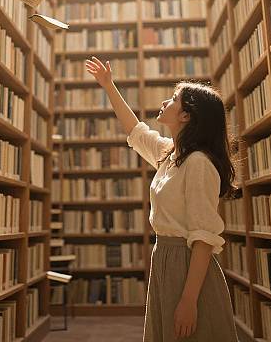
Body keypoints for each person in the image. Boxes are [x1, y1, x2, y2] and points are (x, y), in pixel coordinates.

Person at [85, 57, 239, 342]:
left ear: (186, 116)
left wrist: (189, 301)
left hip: (186, 264)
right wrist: (108, 86)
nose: (165, 102)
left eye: (173, 99)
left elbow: (204, 238)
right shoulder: (170, 154)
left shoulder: (198, 164)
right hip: (165, 260)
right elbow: (136, 131)